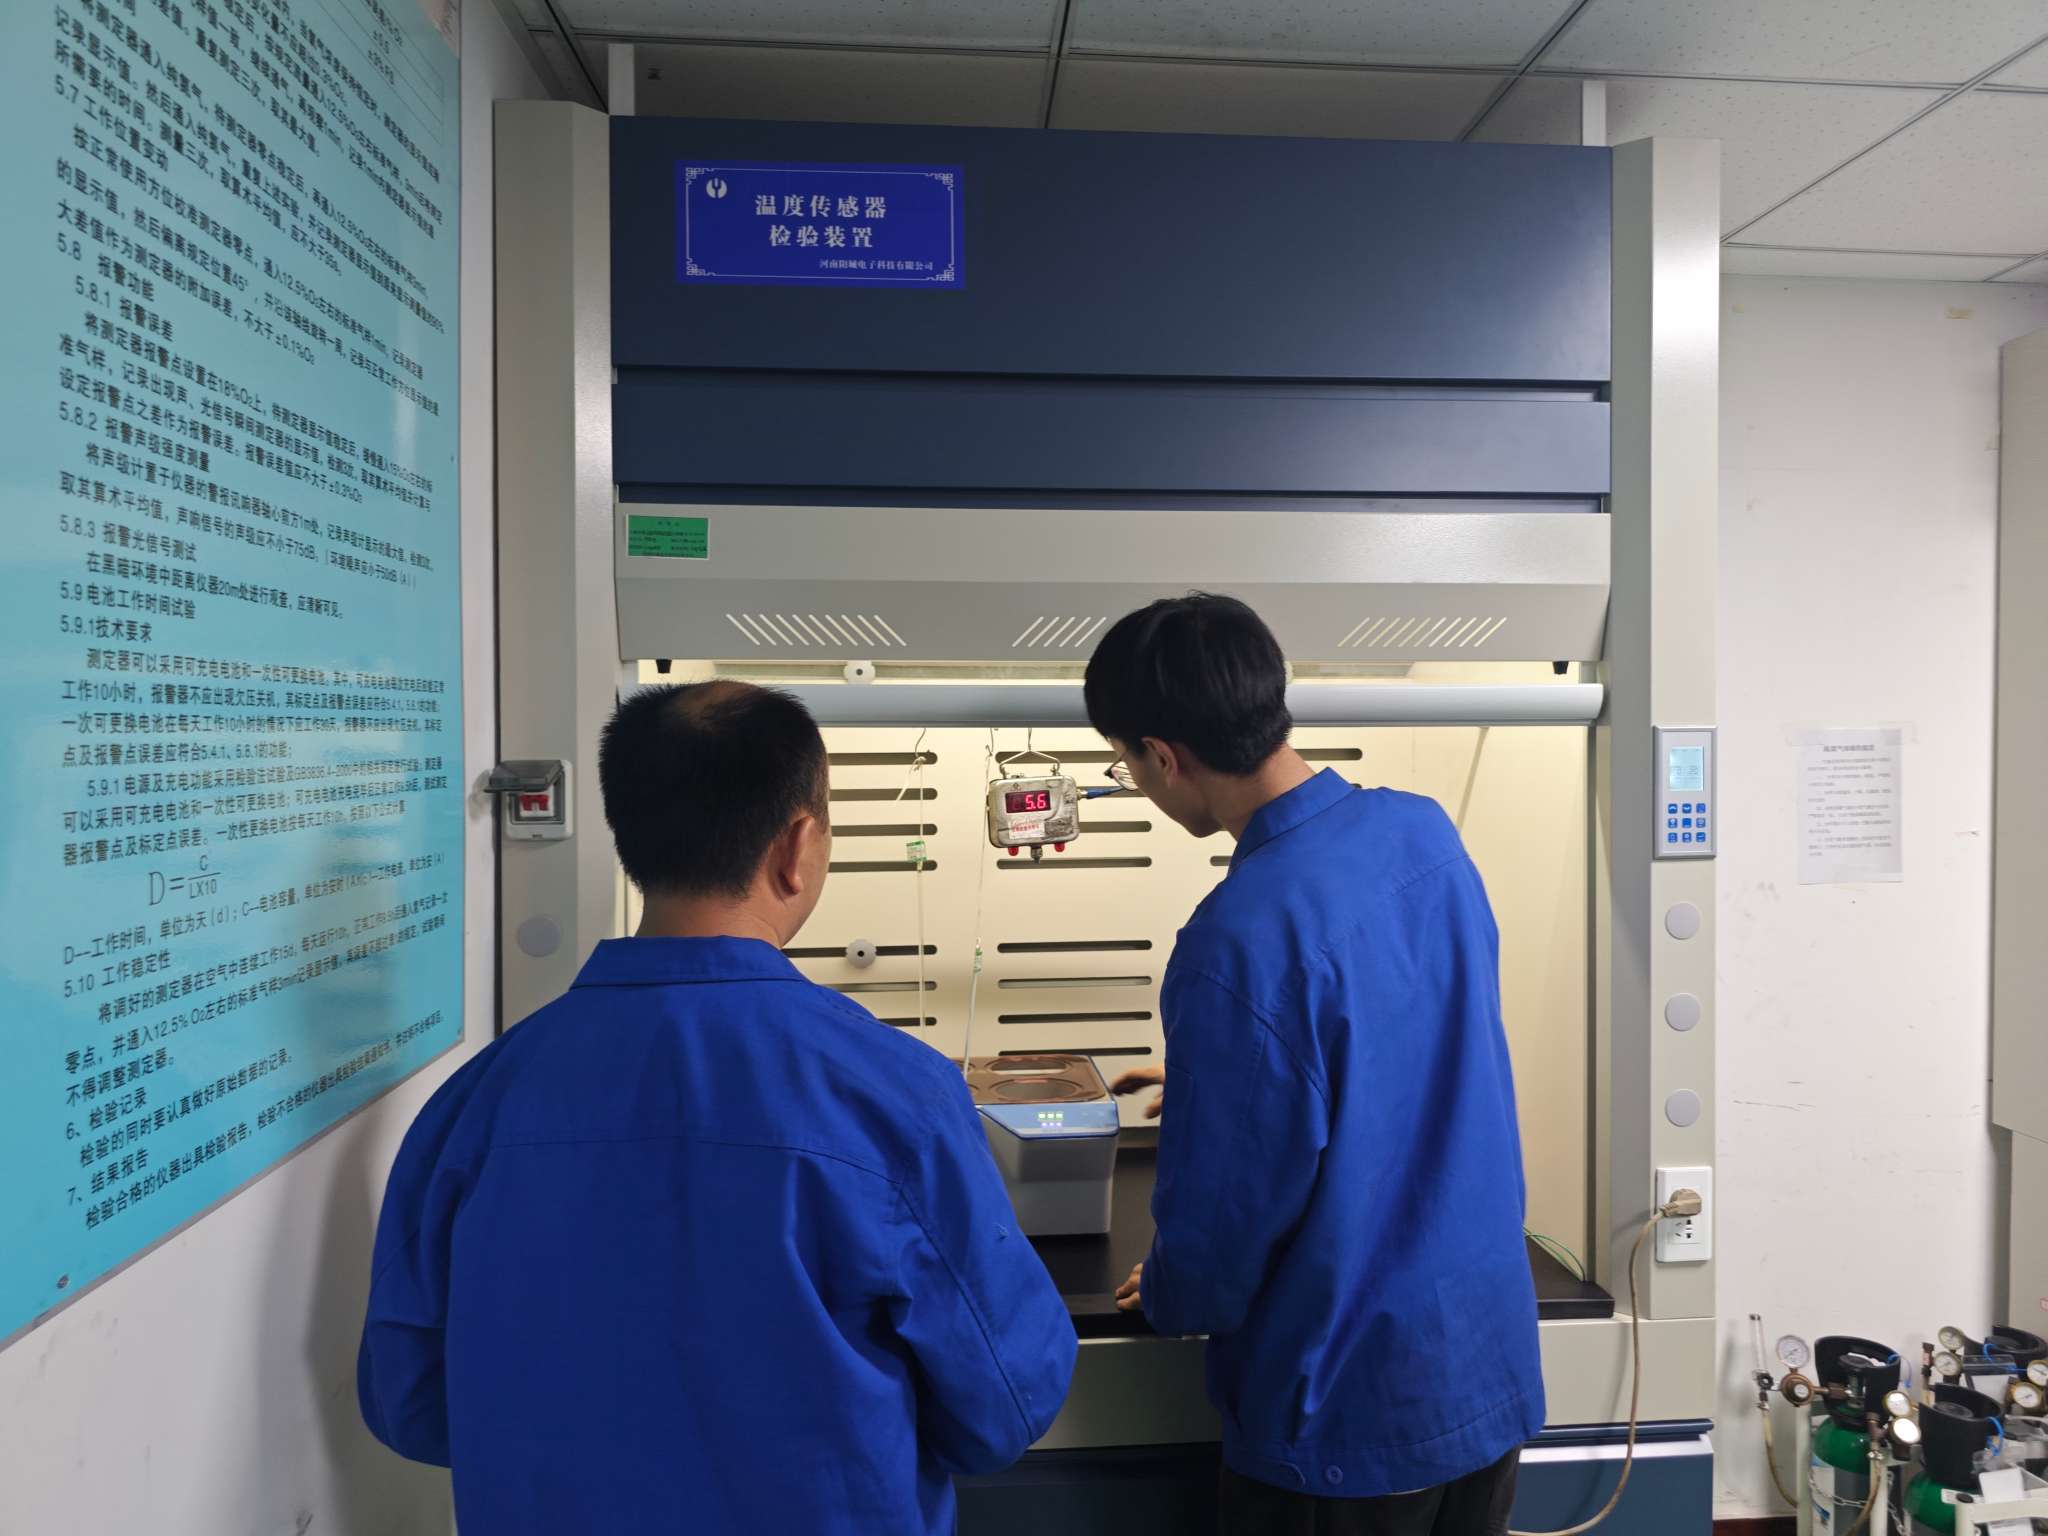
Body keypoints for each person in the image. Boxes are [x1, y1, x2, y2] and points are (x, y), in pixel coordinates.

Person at [358, 681, 1076, 1534]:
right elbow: (1007, 1401)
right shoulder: (896, 1094)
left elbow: (410, 1403)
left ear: (631, 836)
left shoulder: (477, 1101)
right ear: (798, 847)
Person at [1086, 595, 1543, 1536]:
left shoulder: (1234, 941)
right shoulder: (1425, 835)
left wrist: (1166, 1286)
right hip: (1482, 1371)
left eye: (1124, 763)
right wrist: (1227, 1079)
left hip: (1343, 1426)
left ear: (1162, 756)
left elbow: (1213, 1254)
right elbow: (1408, 1030)